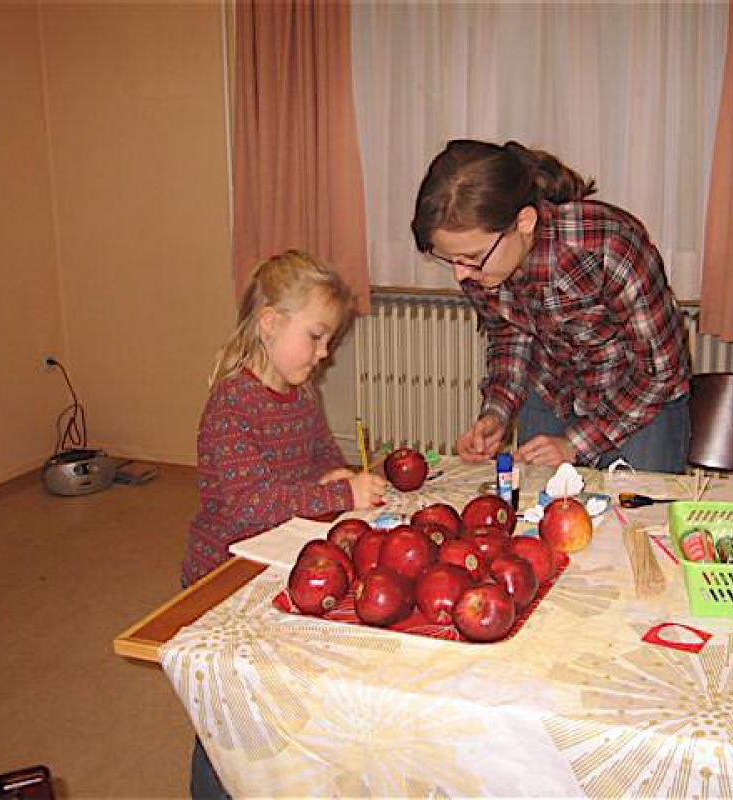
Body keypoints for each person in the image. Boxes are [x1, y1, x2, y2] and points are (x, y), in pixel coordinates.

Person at [181, 249, 387, 798]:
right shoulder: (231, 404)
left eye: (328, 341)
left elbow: (320, 453)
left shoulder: (300, 393)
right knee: (227, 711)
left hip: (277, 560)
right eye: (316, 337)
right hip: (222, 577)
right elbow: (250, 505)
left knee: (273, 697)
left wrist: (335, 473)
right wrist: (341, 492)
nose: (323, 354)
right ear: (270, 323)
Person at [412, 139, 692, 472]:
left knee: (637, 505)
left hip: (639, 401)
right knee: (538, 502)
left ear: (524, 222)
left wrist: (575, 444)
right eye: (451, 259)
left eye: (471, 257)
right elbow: (508, 337)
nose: (461, 274)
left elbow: (661, 370)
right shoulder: (480, 264)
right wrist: (496, 413)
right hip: (552, 396)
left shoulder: (608, 245)